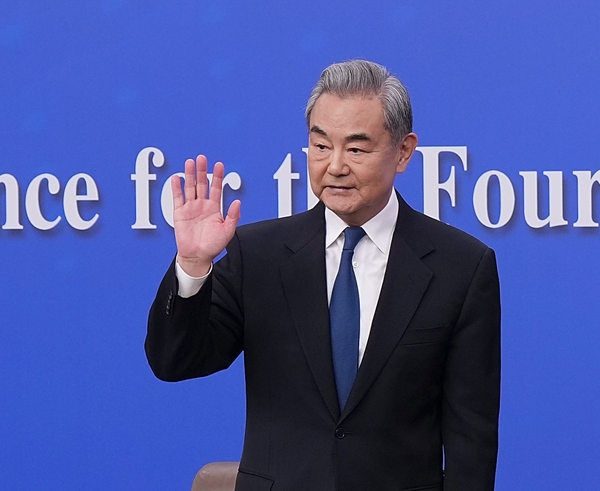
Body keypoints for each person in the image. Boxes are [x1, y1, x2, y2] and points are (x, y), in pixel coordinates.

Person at [145, 59, 500, 491]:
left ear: (404, 152)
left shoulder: (461, 266)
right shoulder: (258, 255)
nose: (334, 166)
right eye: (320, 146)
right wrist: (193, 265)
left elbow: (471, 440)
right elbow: (175, 361)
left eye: (356, 149)